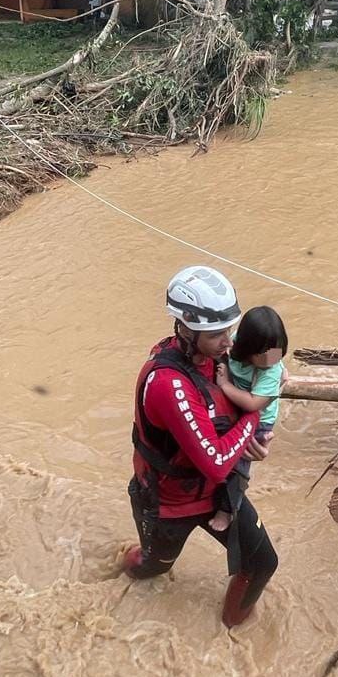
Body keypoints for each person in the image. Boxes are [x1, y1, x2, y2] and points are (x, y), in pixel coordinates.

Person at [125, 265, 279, 628]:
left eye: (229, 330)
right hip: (169, 505)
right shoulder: (168, 384)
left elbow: (264, 373)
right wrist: (255, 417)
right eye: (217, 335)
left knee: (262, 564)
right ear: (185, 328)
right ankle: (125, 566)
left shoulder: (215, 357)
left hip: (216, 495)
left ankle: (233, 629)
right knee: (152, 568)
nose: (229, 342)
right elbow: (215, 461)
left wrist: (268, 387)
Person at [209, 306, 288, 533]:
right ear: (245, 346)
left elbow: (254, 404)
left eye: (277, 353)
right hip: (236, 407)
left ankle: (228, 508)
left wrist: (224, 385)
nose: (270, 359)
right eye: (263, 353)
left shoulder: (270, 366)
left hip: (259, 419)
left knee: (240, 465)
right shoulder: (234, 343)